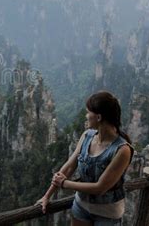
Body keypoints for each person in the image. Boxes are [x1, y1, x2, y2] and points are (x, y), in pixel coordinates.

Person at [35, 91, 134, 225]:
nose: (86, 116)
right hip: (81, 207)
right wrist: (47, 196)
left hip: (107, 214)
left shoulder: (122, 150)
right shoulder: (87, 136)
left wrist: (65, 183)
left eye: (88, 112)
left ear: (98, 117)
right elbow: (69, 166)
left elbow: (100, 188)